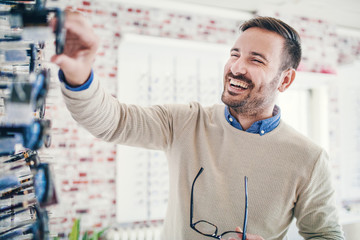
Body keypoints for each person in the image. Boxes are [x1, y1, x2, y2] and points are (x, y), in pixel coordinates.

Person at [51, 12, 345, 240]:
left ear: (285, 80)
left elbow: (327, 235)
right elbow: (112, 121)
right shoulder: (186, 122)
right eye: (234, 54)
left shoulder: (309, 158)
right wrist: (79, 73)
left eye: (256, 60)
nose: (237, 67)